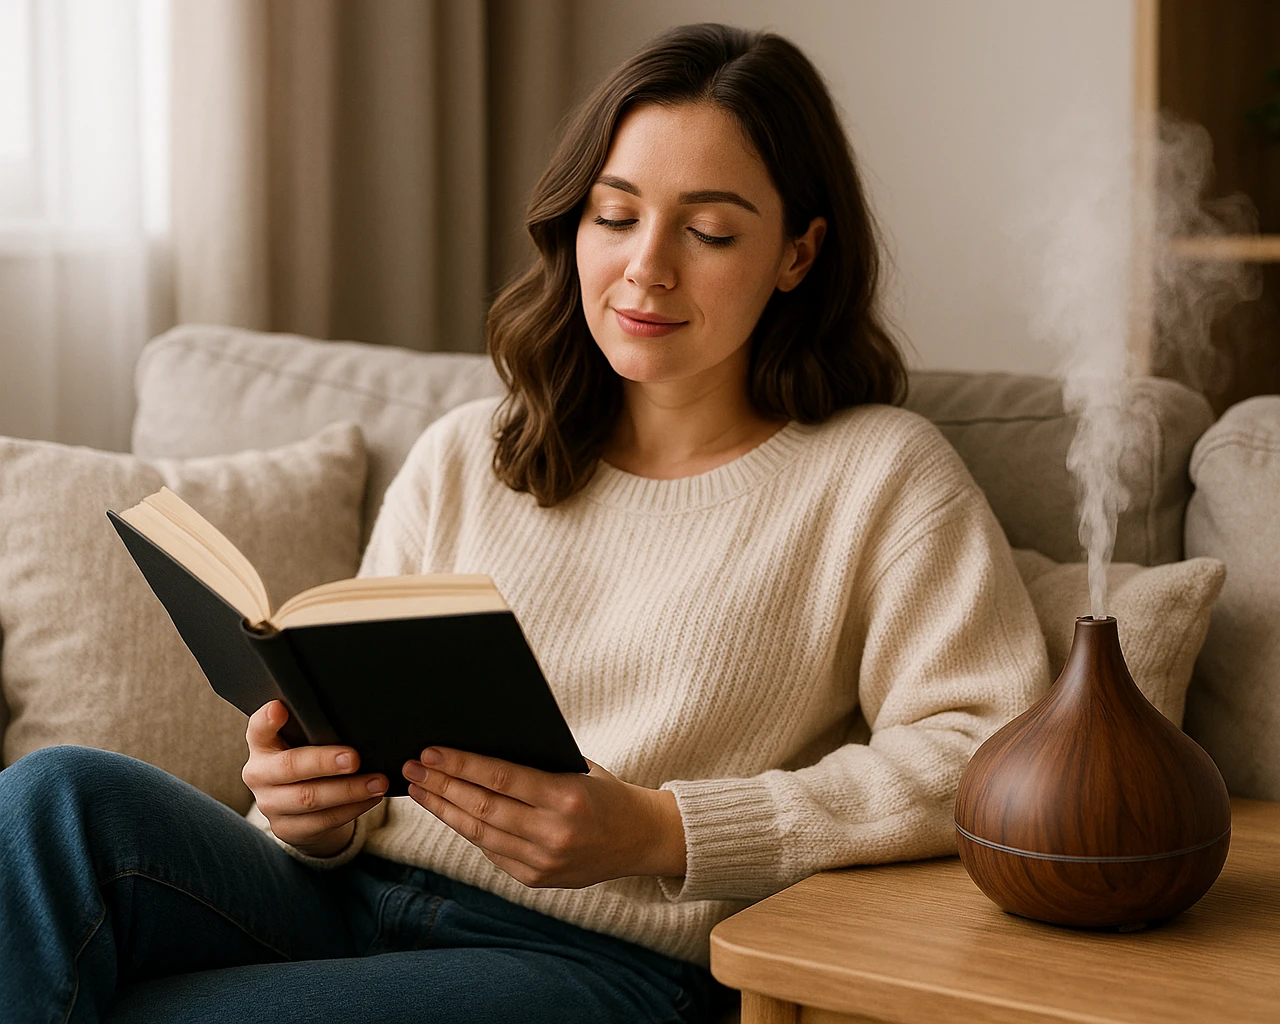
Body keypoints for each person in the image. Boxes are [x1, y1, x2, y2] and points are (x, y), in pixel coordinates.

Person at [0, 22, 1050, 1024]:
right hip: (345, 897)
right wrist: (302, 806)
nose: (648, 265)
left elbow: (981, 753)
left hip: (599, 963)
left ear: (798, 253)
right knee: (52, 796)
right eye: (616, 213)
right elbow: (356, 752)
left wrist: (663, 828)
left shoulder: (879, 476)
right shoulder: (472, 450)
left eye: (711, 229)